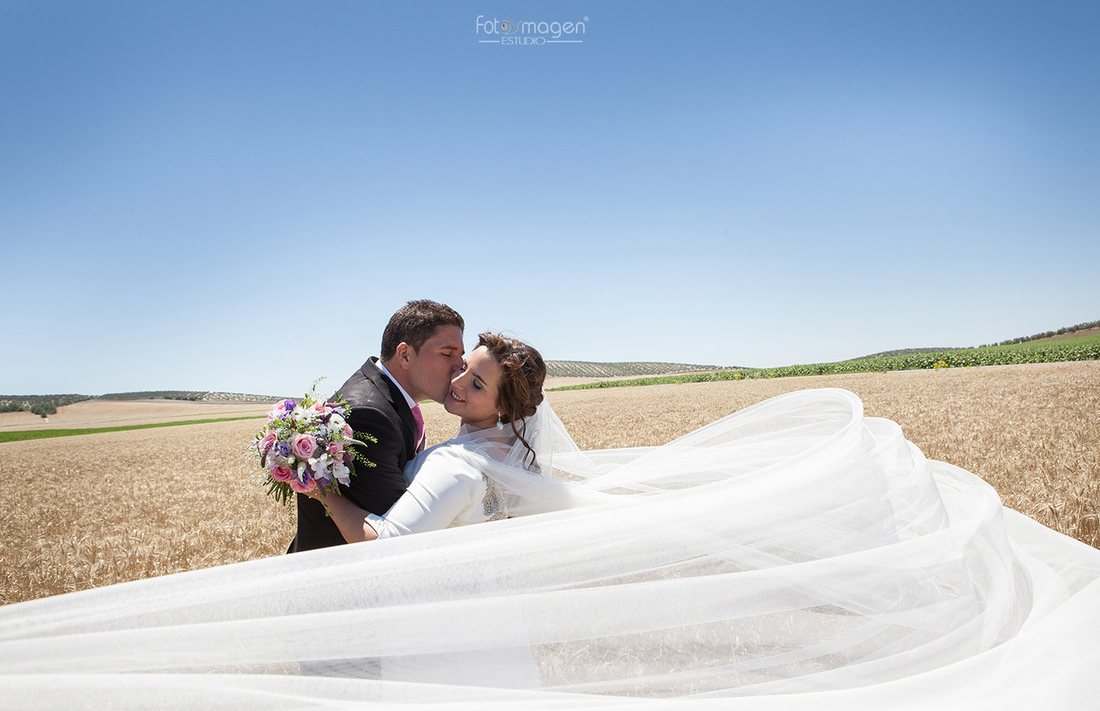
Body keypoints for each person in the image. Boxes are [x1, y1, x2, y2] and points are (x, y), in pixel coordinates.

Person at [2, 388, 1100, 707]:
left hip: (444, 632)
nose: (449, 379)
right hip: (495, 627)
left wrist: (319, 479)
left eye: (464, 371)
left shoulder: (462, 461)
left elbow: (384, 542)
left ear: (488, 396)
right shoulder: (523, 452)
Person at [306, 332, 590, 541]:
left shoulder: (455, 466)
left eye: (476, 384)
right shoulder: (517, 459)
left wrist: (323, 492)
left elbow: (387, 543)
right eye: (464, 367)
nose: (457, 382)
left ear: (504, 406)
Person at [287, 299, 465, 552]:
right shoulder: (368, 415)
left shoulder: (386, 397)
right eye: (448, 354)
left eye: (461, 355)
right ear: (404, 355)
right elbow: (394, 527)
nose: (460, 366)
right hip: (341, 572)